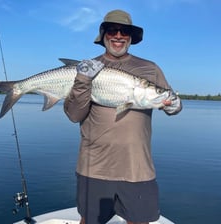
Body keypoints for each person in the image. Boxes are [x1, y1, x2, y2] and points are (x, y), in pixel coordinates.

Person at [64, 9, 182, 224]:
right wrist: (82, 80)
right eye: (112, 30)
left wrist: (174, 105)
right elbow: (74, 115)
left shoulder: (149, 68)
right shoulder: (85, 68)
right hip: (94, 167)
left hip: (137, 167)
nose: (118, 35)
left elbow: (169, 101)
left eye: (124, 31)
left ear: (131, 37)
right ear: (104, 35)